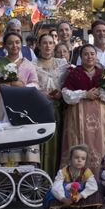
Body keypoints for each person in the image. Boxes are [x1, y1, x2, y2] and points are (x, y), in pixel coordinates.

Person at [61, 44, 105, 173]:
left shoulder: (104, 74)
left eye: (92, 54)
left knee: (101, 143)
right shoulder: (74, 73)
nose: (89, 57)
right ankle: (77, 177)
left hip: (101, 114)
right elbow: (65, 93)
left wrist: (100, 93)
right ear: (81, 57)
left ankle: (103, 176)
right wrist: (85, 94)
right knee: (80, 142)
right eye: (86, 54)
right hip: (79, 114)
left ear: (96, 56)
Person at [29, 31, 67, 173]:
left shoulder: (62, 64)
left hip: (59, 109)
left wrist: (61, 93)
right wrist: (41, 93)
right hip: (40, 110)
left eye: (51, 43)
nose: (48, 46)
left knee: (58, 142)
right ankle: (41, 177)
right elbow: (28, 86)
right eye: (44, 43)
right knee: (42, 143)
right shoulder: (32, 64)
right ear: (39, 45)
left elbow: (68, 85)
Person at [0, 31, 38, 121]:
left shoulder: (29, 65)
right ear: (5, 46)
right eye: (10, 43)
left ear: (21, 44)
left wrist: (23, 86)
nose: (14, 46)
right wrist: (5, 83)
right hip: (1, 104)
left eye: (17, 42)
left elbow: (35, 85)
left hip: (22, 103)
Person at [47, 145, 101, 209]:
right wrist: (63, 198)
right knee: (53, 191)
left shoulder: (86, 172)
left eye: (83, 159)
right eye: (76, 157)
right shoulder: (63, 172)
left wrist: (80, 195)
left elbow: (93, 186)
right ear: (70, 159)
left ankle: (87, 208)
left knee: (95, 187)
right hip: (67, 195)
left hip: (80, 195)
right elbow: (56, 186)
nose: (79, 160)